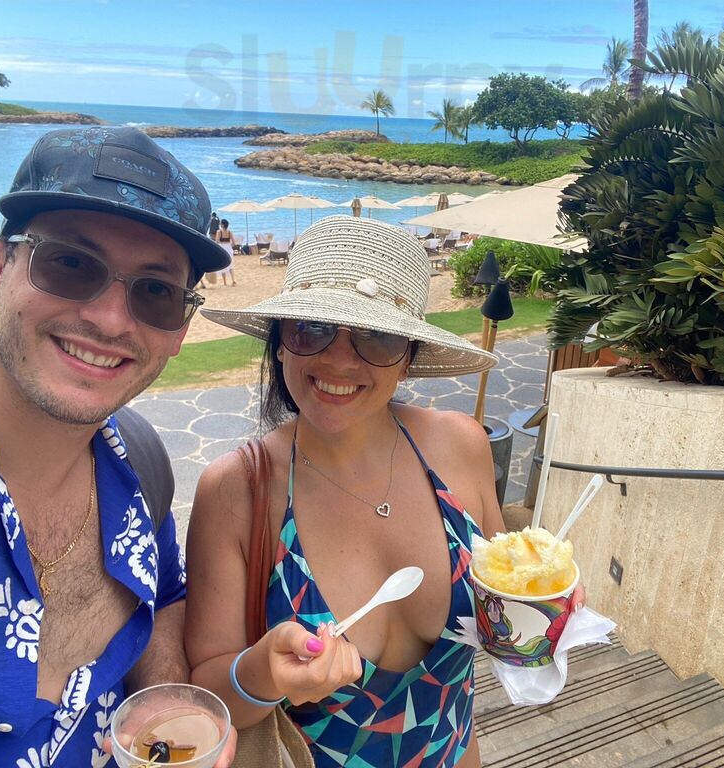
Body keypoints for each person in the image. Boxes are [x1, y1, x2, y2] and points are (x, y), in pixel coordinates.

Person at [0, 127, 236, 767]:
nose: (111, 319)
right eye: (70, 264)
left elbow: (165, 596)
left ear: (179, 330)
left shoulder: (140, 462)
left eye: (155, 291)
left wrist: (163, 700)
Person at [186, 216, 505, 767]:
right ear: (279, 342)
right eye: (312, 328)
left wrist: (546, 606)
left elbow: (505, 599)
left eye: (376, 336)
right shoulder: (237, 489)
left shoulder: (460, 446)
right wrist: (265, 671)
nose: (338, 359)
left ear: (409, 358)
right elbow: (208, 697)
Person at [214, 217, 237, 286]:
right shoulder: (230, 232)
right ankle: (233, 280)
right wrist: (229, 246)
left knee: (223, 265)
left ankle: (225, 282)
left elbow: (217, 241)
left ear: (223, 225)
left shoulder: (219, 232)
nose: (219, 224)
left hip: (222, 249)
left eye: (220, 223)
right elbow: (234, 243)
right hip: (229, 248)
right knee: (231, 265)